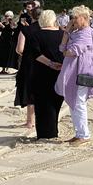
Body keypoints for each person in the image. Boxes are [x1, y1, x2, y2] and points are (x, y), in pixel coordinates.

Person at [56, 5, 93, 146]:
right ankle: (79, 133)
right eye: (72, 17)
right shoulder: (76, 32)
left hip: (83, 72)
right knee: (74, 102)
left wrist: (66, 47)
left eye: (76, 17)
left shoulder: (87, 33)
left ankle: (83, 134)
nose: (73, 20)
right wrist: (67, 31)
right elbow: (62, 48)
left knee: (79, 102)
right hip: (74, 71)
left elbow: (71, 51)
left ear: (84, 18)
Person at [30, 10, 65, 140]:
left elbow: (36, 54)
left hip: (41, 72)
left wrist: (50, 63)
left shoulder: (36, 35)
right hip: (60, 71)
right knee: (56, 101)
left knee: (42, 103)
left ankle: (45, 133)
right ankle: (53, 131)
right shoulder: (62, 34)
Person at [15, 6, 41, 128]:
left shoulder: (26, 30)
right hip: (45, 63)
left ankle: (30, 121)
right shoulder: (51, 29)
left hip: (30, 62)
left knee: (30, 92)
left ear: (31, 16)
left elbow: (19, 49)